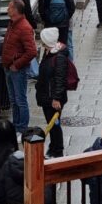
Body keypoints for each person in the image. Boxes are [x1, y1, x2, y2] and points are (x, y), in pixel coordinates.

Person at [2, 0, 38, 138]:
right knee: (13, 99)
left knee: (20, 100)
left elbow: (32, 52)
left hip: (18, 70)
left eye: (10, 7)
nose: (8, 9)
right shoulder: (12, 23)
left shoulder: (24, 27)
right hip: (8, 68)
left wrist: (17, 65)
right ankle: (15, 125)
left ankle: (22, 129)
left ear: (16, 10)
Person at [34, 27, 69, 157]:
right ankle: (53, 147)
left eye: (43, 41)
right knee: (52, 123)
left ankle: (57, 150)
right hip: (47, 96)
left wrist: (56, 98)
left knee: (54, 124)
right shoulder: (49, 52)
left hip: (52, 98)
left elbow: (60, 79)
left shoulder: (58, 57)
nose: (41, 44)